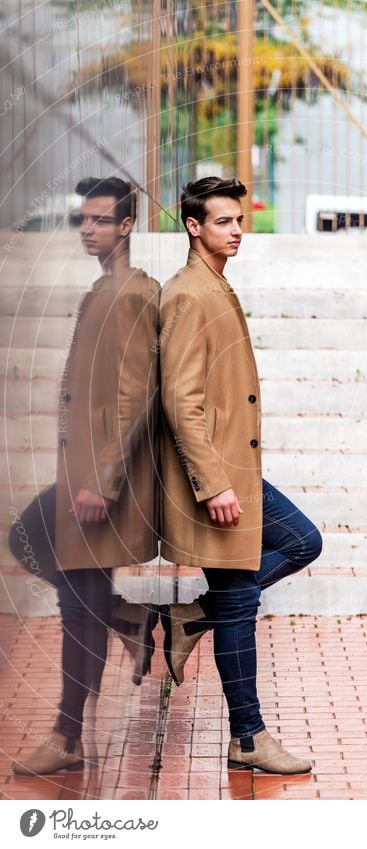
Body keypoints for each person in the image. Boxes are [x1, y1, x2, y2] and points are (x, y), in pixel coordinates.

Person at [159, 176, 323, 775]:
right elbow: (180, 400)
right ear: (193, 226)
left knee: (303, 541)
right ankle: (248, 737)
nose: (236, 231)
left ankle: (192, 616)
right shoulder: (187, 295)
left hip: (236, 470)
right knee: (239, 604)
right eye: (223, 221)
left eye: (239, 220)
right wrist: (213, 484)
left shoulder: (213, 286)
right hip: (217, 479)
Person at [9, 177, 160, 775]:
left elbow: (135, 395)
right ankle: (127, 616)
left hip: (100, 481)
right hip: (85, 475)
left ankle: (68, 738)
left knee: (77, 603)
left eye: (100, 220)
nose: (87, 229)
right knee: (28, 541)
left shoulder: (128, 294)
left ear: (126, 227)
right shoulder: (106, 288)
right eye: (82, 220)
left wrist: (104, 481)